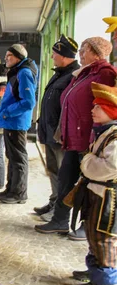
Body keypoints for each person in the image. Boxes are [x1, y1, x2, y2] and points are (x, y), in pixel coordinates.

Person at [36, 37, 116, 239]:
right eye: (80, 49)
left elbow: (107, 107)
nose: (80, 53)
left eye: (84, 50)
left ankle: (86, 224)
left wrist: (93, 137)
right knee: (65, 179)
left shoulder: (104, 73)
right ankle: (60, 221)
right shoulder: (82, 74)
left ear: (97, 53)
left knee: (89, 185)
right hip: (73, 138)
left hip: (89, 140)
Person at [69, 82, 117, 285]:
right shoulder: (104, 133)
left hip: (108, 197)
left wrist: (87, 161)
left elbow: (109, 168)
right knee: (92, 232)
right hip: (97, 192)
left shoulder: (115, 137)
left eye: (98, 107)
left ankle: (105, 282)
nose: (92, 109)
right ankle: (94, 271)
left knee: (104, 237)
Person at [33, 35, 79, 221]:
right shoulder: (60, 73)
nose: (52, 57)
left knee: (62, 174)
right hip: (49, 132)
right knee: (52, 170)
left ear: (64, 55)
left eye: (54, 53)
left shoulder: (73, 76)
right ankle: (53, 201)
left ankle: (59, 211)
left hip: (59, 136)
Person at [0, 44, 38, 204]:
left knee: (18, 158)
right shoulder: (18, 71)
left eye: (10, 56)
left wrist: (7, 112)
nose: (6, 58)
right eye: (6, 56)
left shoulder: (24, 72)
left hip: (16, 122)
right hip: (12, 122)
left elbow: (28, 102)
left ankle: (19, 193)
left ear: (19, 57)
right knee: (12, 157)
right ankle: (11, 189)